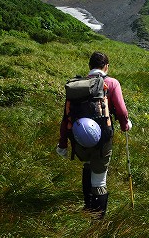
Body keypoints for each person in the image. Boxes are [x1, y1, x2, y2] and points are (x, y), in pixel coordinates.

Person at [56, 51, 132, 218]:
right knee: (99, 179)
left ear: (89, 67)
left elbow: (65, 117)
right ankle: (96, 221)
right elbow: (122, 111)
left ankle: (87, 207)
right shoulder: (111, 83)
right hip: (102, 138)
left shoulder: (77, 85)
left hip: (78, 137)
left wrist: (62, 144)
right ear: (106, 67)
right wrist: (125, 125)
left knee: (88, 166)